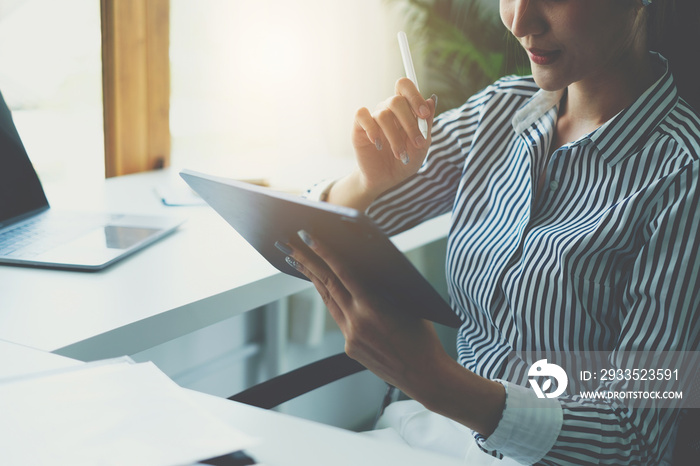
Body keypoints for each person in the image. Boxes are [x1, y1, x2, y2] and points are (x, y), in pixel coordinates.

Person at [280, 0, 700, 464]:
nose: (520, 23)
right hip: (421, 436)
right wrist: (367, 183)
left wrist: (436, 381)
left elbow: (635, 442)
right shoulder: (500, 111)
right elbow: (300, 238)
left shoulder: (684, 178)